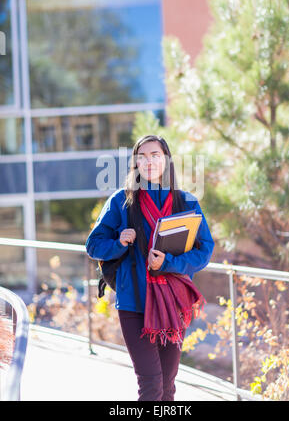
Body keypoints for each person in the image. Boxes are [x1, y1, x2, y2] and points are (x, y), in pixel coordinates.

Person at [85, 134, 214, 401]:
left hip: (173, 305)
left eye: (155, 155)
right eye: (141, 157)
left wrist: (169, 263)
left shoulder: (186, 201)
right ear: (135, 164)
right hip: (134, 305)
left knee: (167, 386)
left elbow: (205, 250)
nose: (149, 162)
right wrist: (119, 242)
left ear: (166, 160)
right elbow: (93, 245)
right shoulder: (122, 201)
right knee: (151, 384)